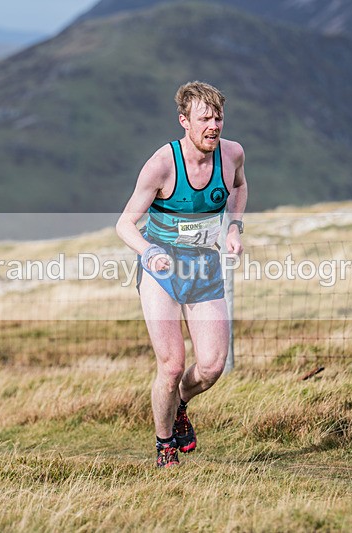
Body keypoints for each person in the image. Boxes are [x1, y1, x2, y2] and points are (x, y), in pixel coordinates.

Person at [116, 81, 248, 467]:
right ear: (184, 122)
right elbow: (124, 224)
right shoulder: (162, 164)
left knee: (211, 366)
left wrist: (235, 227)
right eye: (204, 118)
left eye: (218, 117)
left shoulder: (233, 154)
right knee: (172, 365)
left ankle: (179, 407)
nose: (213, 125)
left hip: (204, 265)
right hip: (161, 269)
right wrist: (149, 250)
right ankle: (164, 445)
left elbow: (239, 187)